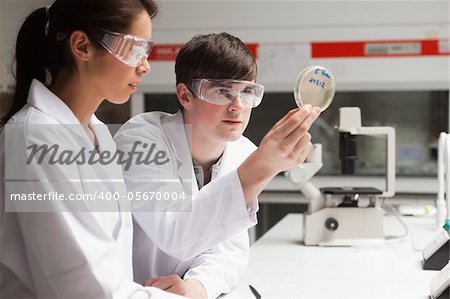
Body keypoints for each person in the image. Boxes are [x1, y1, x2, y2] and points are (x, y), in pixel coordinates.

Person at [114, 33, 321, 298]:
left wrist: (198, 287)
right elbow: (175, 233)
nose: (237, 106)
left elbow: (228, 251)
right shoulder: (141, 140)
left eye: (247, 91)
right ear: (185, 96)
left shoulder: (245, 151)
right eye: (223, 91)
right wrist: (264, 166)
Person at [0, 0, 184, 298]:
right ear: (82, 46)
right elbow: (86, 287)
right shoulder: (35, 137)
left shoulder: (97, 133)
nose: (145, 65)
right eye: (135, 49)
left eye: (147, 51)